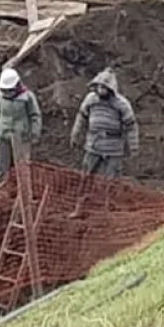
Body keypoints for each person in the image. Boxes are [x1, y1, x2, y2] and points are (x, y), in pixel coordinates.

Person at [68, 67, 139, 218]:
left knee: (111, 180)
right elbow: (81, 116)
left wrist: (133, 146)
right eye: (99, 87)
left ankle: (109, 210)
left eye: (104, 87)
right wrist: (75, 133)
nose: (101, 90)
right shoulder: (90, 99)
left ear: (110, 89)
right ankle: (80, 208)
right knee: (86, 176)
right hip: (94, 144)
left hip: (114, 146)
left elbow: (131, 126)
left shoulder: (121, 104)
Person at [0, 67, 42, 199]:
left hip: (21, 136)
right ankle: (1, 192)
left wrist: (34, 133)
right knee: (1, 165)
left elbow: (35, 116)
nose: (7, 93)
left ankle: (25, 195)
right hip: (2, 134)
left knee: (22, 166)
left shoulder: (27, 97)